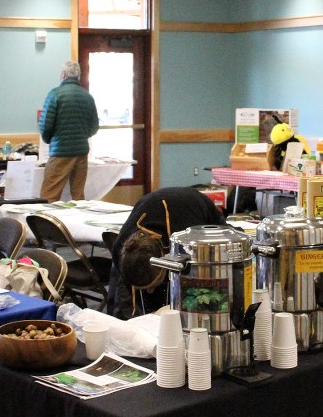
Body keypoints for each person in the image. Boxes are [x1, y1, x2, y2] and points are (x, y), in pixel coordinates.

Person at [104, 187, 228, 319]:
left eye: (152, 286)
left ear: (165, 258)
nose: (150, 291)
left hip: (193, 206)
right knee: (122, 305)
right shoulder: (119, 249)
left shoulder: (186, 240)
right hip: (149, 204)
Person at [39, 60, 99, 202]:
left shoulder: (55, 94)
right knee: (78, 196)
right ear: (78, 76)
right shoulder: (88, 97)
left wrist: (50, 140)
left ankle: (47, 218)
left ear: (63, 75)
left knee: (49, 196)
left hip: (60, 151)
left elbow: (45, 125)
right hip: (81, 152)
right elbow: (94, 126)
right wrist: (82, 136)